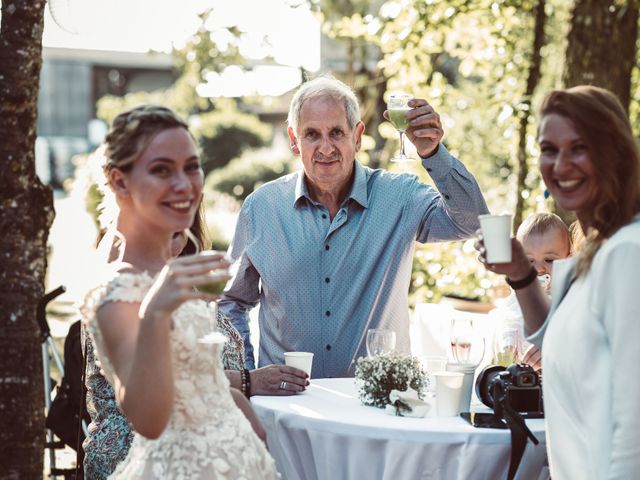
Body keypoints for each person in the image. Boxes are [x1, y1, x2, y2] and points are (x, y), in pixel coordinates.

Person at [219, 75, 489, 378]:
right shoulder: (261, 208)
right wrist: (244, 377)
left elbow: (473, 224)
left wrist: (432, 154)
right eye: (312, 134)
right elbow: (231, 302)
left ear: (357, 136)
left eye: (336, 133)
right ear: (294, 140)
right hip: (288, 407)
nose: (325, 147)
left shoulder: (400, 197)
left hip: (379, 406)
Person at [80, 104, 279, 478]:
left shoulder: (174, 267)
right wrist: (156, 311)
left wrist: (244, 414)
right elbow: (148, 419)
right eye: (161, 170)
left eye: (191, 166)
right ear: (119, 181)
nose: (184, 184)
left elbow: (199, 379)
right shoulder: (115, 287)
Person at [477, 85, 640, 479]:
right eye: (549, 149)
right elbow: (553, 340)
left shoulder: (626, 253)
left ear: (614, 154)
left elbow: (634, 420)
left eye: (578, 147)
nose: (561, 164)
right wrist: (520, 274)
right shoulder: (588, 254)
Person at [490, 212, 572, 371]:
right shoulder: (514, 301)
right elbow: (507, 325)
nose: (539, 269)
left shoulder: (568, 300)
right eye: (529, 261)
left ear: (568, 260)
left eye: (549, 260)